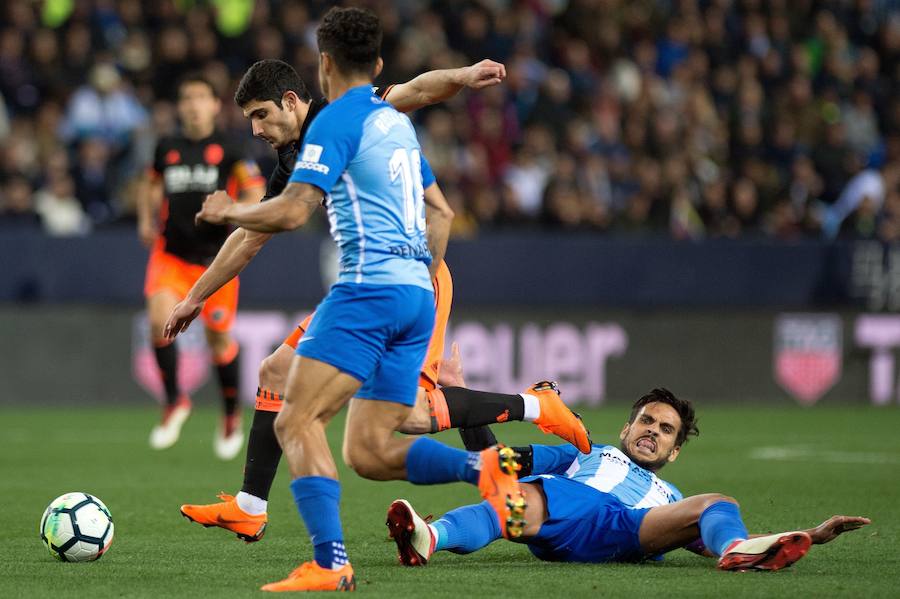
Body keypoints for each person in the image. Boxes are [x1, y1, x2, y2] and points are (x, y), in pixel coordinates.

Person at [174, 7, 560, 592]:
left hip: (386, 284)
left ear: (296, 95)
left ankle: (533, 411)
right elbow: (440, 209)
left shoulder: (341, 119)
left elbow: (413, 93)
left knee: (400, 416)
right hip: (400, 282)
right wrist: (197, 296)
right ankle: (253, 504)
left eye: (259, 116)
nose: (254, 129)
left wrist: (460, 76)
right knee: (326, 415)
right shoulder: (347, 136)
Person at [387, 388, 871, 571]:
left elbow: (695, 541)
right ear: (627, 427)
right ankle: (431, 537)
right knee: (511, 501)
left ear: (674, 450)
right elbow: (496, 460)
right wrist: (459, 404)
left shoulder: (672, 497)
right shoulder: (584, 453)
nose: (652, 432)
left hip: (629, 532)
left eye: (665, 430)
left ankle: (738, 552)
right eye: (646, 422)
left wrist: (807, 535)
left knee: (715, 504)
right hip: (569, 507)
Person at [137, 73, 265, 458]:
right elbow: (152, 183)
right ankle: (175, 401)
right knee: (160, 322)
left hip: (216, 262)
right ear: (180, 106)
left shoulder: (230, 146)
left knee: (218, 342)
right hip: (171, 254)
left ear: (214, 104)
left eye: (200, 97)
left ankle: (229, 415)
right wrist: (146, 219)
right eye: (186, 97)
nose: (192, 104)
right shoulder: (167, 146)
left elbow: (255, 188)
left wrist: (242, 212)